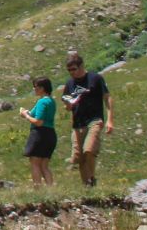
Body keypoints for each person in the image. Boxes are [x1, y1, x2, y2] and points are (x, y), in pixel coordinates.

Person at [61, 52, 114, 186]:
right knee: (79, 157)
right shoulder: (69, 84)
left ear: (81, 66)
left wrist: (109, 119)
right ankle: (87, 185)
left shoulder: (95, 78)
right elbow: (67, 104)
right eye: (69, 70)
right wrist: (68, 104)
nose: (72, 73)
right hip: (78, 123)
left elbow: (107, 97)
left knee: (89, 149)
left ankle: (92, 178)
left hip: (94, 120)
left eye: (74, 69)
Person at [20, 76, 57, 187]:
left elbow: (38, 121)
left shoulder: (42, 102)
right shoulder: (51, 101)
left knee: (35, 162)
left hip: (40, 134)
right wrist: (26, 113)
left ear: (42, 88)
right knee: (44, 165)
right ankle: (50, 188)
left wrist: (26, 115)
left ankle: (37, 187)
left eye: (35, 87)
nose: (34, 89)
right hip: (50, 133)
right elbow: (35, 114)